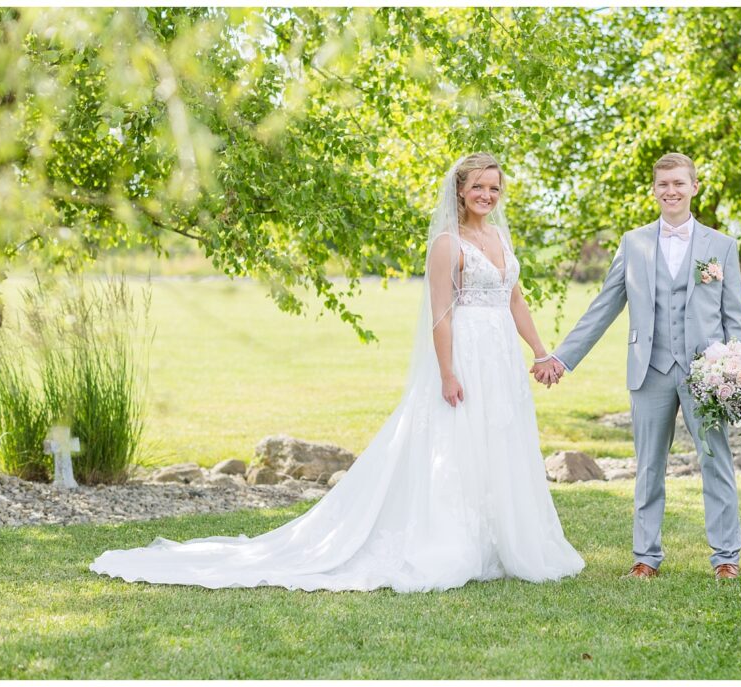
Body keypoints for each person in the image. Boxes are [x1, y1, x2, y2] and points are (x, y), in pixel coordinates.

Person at [90, 153, 584, 592]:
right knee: (457, 444)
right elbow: (441, 316)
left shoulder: (499, 236)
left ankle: (503, 543)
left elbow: (514, 298)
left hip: (501, 358)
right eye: (478, 186)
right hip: (466, 356)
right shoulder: (446, 245)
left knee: (498, 441)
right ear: (459, 189)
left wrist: (540, 351)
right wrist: (448, 373)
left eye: (495, 187)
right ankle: (454, 544)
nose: (487, 195)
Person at [532, 152, 741, 581]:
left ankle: (726, 557)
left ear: (694, 187)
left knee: (715, 460)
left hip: (706, 374)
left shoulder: (721, 246)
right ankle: (645, 558)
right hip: (649, 369)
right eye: (663, 184)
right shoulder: (634, 243)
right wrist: (562, 357)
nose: (671, 191)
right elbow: (604, 306)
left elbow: (735, 318)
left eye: (679, 184)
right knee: (649, 465)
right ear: (654, 190)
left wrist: (740, 372)